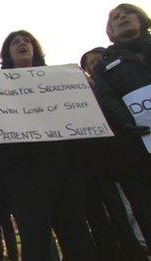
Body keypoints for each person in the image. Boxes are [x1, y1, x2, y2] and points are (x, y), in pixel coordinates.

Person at [0, 30, 96, 261]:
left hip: (64, 169)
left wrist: (86, 90)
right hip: (22, 175)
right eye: (15, 42)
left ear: (35, 49)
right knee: (35, 237)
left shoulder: (58, 79)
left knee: (75, 233)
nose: (22, 44)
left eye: (27, 40)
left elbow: (79, 115)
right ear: (7, 53)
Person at [81, 47, 148, 261]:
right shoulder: (80, 99)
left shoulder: (126, 83)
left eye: (98, 60)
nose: (94, 64)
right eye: (89, 64)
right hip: (109, 164)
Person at [93, 3, 151, 251]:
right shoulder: (104, 66)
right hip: (136, 151)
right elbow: (106, 100)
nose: (122, 18)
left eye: (127, 13)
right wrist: (131, 122)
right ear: (110, 32)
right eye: (115, 17)